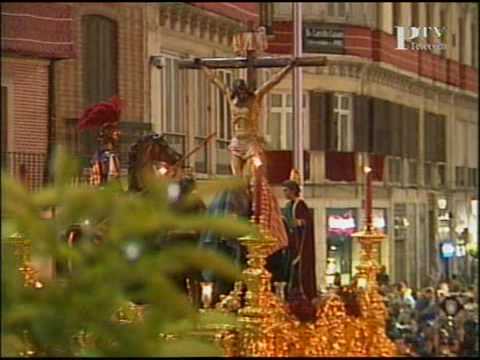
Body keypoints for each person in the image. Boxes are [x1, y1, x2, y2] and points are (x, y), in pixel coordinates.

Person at [200, 60, 295, 179]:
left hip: (251, 142)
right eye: (239, 92)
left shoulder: (255, 98)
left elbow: (272, 82)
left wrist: (288, 67)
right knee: (237, 178)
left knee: (250, 175)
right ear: (236, 91)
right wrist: (203, 67)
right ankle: (242, 195)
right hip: (237, 141)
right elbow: (215, 80)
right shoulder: (231, 98)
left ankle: (253, 191)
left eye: (243, 91)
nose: (242, 95)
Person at [281, 179, 316, 302]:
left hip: (299, 245)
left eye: (286, 190)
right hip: (290, 245)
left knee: (299, 272)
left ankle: (302, 298)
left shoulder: (300, 205)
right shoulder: (288, 206)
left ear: (293, 190)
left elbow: (307, 223)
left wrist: (300, 223)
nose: (284, 193)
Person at [78, 96, 123, 187]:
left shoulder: (112, 153)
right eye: (114, 130)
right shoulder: (104, 155)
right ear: (107, 132)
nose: (118, 133)